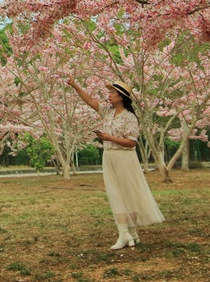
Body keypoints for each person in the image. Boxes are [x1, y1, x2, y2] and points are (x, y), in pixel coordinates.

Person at [67, 77, 164, 249]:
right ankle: (124, 233)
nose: (109, 95)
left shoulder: (130, 117)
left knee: (128, 193)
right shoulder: (107, 112)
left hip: (125, 158)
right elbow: (90, 100)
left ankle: (131, 233)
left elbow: (132, 142)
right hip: (109, 156)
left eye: (113, 92)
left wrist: (109, 137)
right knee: (114, 193)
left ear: (121, 97)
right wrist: (75, 85)